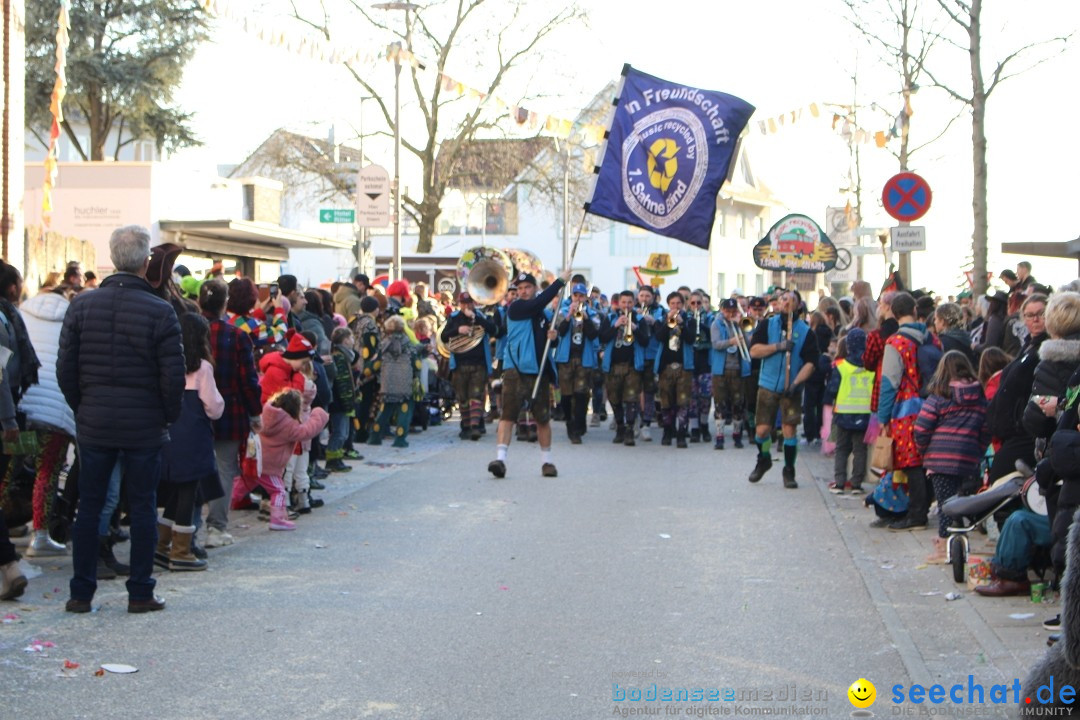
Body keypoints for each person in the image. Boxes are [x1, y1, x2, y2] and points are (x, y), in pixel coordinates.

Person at [59, 225, 185, 614]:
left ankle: (81, 593)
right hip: (144, 424)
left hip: (95, 421)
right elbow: (173, 377)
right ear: (146, 262)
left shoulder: (81, 306)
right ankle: (140, 592)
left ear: (112, 258)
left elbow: (66, 368)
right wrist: (166, 416)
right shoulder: (160, 311)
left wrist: (83, 407)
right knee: (144, 506)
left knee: (90, 506)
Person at [156, 314, 224, 572]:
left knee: (174, 490)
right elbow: (214, 407)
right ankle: (181, 551)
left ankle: (162, 546)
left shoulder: (164, 365)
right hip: (194, 435)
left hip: (168, 433)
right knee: (188, 491)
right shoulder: (203, 368)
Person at [488, 269, 571, 479]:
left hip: (539, 371)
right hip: (516, 369)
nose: (523, 292)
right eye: (520, 288)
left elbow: (548, 343)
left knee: (543, 418)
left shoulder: (544, 315)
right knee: (508, 415)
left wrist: (553, 337)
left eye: (527, 287)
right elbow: (537, 303)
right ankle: (500, 459)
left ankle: (547, 462)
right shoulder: (516, 308)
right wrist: (560, 281)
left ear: (534, 288)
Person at [199, 279, 262, 549]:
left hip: (193, 408)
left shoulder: (187, 331)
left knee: (193, 468)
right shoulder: (238, 336)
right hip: (230, 409)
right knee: (224, 469)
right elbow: (249, 380)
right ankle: (216, 527)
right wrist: (255, 412)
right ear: (225, 304)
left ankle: (184, 528)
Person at [914, 351, 989, 560]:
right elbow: (986, 429)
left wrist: (924, 450)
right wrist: (978, 451)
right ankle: (960, 546)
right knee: (963, 504)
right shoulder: (980, 397)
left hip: (940, 460)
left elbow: (921, 428)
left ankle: (945, 549)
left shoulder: (939, 396)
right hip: (969, 459)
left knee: (945, 505)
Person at [748, 290, 820, 488]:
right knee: (762, 430)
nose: (787, 303)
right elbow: (754, 351)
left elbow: (811, 362)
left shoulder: (806, 332)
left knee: (789, 429)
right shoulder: (767, 325)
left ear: (798, 305)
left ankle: (789, 470)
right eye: (784, 299)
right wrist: (778, 347)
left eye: (792, 300)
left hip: (791, 386)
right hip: (767, 384)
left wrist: (796, 383)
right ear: (778, 303)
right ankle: (763, 459)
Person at [232, 390, 327, 531]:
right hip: (269, 468)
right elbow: (307, 431)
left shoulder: (265, 414)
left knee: (237, 488)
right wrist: (319, 414)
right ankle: (277, 520)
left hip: (253, 462)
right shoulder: (289, 425)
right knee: (278, 491)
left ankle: (218, 507)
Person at [877, 292, 931, 531]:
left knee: (911, 462)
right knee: (925, 460)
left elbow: (889, 382)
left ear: (895, 313)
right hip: (931, 404)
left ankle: (916, 514)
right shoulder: (931, 339)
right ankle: (920, 508)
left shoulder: (895, 343)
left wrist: (883, 416)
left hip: (905, 408)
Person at [442, 291, 498, 441]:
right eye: (464, 303)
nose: (466, 306)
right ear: (459, 304)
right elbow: (443, 336)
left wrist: (477, 319)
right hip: (460, 364)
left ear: (474, 303)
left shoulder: (482, 317)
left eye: (469, 303)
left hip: (479, 363)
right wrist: (457, 330)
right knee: (463, 397)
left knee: (476, 396)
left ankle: (475, 427)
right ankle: (466, 426)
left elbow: (494, 330)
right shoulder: (454, 318)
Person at [824, 329, 873, 495]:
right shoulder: (871, 366)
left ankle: (839, 482)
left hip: (843, 413)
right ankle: (856, 483)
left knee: (842, 449)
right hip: (865, 414)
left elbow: (832, 389)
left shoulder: (841, 366)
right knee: (860, 450)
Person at [599, 290, 647, 446]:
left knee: (631, 399)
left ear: (634, 303)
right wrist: (615, 326)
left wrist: (635, 328)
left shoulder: (640, 319)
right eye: (624, 302)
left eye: (630, 302)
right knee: (615, 398)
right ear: (619, 303)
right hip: (613, 365)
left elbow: (646, 341)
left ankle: (629, 430)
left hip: (632, 365)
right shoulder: (610, 318)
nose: (626, 305)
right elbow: (602, 337)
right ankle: (619, 426)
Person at [554, 283, 601, 444]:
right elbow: (559, 331)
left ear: (586, 298)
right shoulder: (562, 311)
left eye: (581, 296)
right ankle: (569, 423)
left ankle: (578, 425)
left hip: (584, 358)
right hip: (566, 359)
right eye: (576, 296)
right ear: (572, 296)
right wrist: (568, 316)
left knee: (581, 394)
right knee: (566, 395)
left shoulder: (592, 313)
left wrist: (585, 319)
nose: (578, 299)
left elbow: (594, 334)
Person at [653, 291, 696, 448]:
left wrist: (682, 324)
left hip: (684, 366)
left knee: (683, 401)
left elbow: (691, 339)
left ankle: (681, 433)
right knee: (666, 401)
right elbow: (659, 337)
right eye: (672, 304)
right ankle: (667, 431)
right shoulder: (660, 320)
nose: (675, 307)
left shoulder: (690, 320)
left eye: (678, 304)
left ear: (683, 305)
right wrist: (668, 322)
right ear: (668, 304)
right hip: (666, 366)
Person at [368, 315, 419, 448]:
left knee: (384, 410)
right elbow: (416, 363)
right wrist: (416, 378)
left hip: (387, 382)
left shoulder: (384, 344)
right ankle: (400, 439)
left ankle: (375, 437)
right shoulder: (408, 343)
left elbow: (376, 364)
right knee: (404, 411)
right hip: (405, 382)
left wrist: (366, 372)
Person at [709, 298, 750, 450]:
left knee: (738, 403)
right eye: (727, 311)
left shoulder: (740, 323)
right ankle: (719, 437)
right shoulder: (716, 324)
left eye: (733, 311)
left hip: (738, 369)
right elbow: (716, 344)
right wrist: (731, 341)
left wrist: (742, 328)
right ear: (722, 310)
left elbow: (748, 344)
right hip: (721, 370)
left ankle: (737, 435)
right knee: (720, 403)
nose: (730, 314)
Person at [635, 285, 666, 441]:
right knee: (633, 391)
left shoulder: (660, 312)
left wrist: (654, 322)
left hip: (652, 355)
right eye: (642, 296)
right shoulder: (632, 310)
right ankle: (633, 421)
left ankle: (646, 424)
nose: (644, 299)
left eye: (647, 296)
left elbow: (664, 333)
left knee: (649, 391)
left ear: (653, 297)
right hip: (635, 355)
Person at [327, 327, 358, 471]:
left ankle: (337, 458)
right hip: (339, 402)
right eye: (351, 338)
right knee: (339, 433)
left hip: (343, 401)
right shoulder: (339, 357)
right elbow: (343, 382)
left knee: (343, 433)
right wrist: (348, 401)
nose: (353, 341)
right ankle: (332, 460)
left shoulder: (345, 356)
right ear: (345, 341)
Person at [687, 291, 713, 443]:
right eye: (693, 303)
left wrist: (701, 325)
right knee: (692, 398)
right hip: (691, 361)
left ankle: (704, 424)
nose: (696, 306)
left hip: (705, 361)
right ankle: (694, 428)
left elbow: (714, 335)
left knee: (705, 397)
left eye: (699, 303)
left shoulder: (710, 318)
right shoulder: (685, 317)